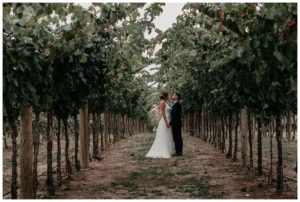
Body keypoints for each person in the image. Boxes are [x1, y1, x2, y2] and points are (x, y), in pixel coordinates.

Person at [145, 92, 175, 158]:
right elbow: (163, 114)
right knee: (164, 135)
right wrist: (166, 122)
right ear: (165, 96)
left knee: (168, 135)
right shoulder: (162, 102)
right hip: (165, 121)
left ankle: (169, 150)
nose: (168, 97)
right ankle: (163, 150)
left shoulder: (165, 102)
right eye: (168, 96)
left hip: (168, 120)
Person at [170, 92, 183, 156]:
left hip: (176, 124)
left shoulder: (177, 105)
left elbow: (174, 116)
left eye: (174, 95)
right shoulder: (176, 104)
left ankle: (178, 152)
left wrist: (170, 123)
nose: (172, 96)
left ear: (176, 97)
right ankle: (179, 151)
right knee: (177, 137)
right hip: (176, 123)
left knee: (177, 137)